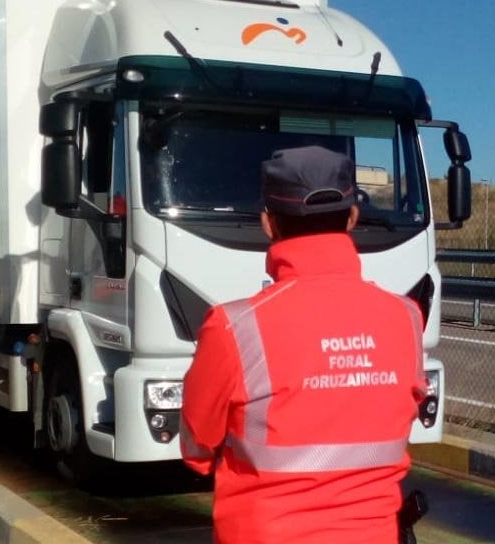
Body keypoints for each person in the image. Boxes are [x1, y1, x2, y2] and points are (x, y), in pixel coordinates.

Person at [180, 145, 427, 544]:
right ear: (352, 217)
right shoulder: (406, 316)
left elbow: (197, 445)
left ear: (267, 222)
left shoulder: (233, 326)